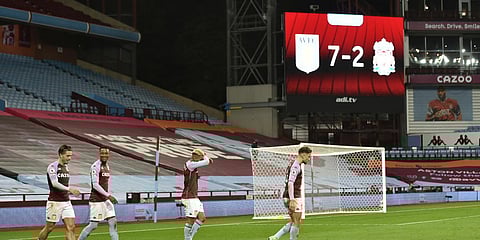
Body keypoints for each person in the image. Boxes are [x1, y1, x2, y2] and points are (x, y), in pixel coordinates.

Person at [268, 146, 312, 240]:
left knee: (293, 221)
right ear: (303, 154)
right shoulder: (296, 166)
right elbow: (290, 183)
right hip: (294, 196)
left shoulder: (294, 164)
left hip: (288, 195)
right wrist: (292, 199)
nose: (309, 158)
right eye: (308, 156)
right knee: (297, 221)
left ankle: (275, 237)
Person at [37, 145, 80, 240]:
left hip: (66, 202)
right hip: (54, 202)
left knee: (71, 227)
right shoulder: (52, 167)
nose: (70, 158)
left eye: (71, 156)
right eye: (67, 156)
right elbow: (55, 183)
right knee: (50, 227)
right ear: (60, 154)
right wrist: (69, 189)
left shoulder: (66, 167)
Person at [78, 146, 119, 240]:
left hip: (105, 200)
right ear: (99, 154)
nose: (104, 155)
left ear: (109, 154)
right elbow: (95, 184)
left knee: (113, 222)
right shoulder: (95, 166)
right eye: (102, 153)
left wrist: (108, 194)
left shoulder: (107, 166)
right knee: (93, 225)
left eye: (106, 153)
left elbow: (106, 183)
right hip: (96, 200)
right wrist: (109, 195)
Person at [182, 148, 213, 240]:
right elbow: (207, 162)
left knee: (202, 218)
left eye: (197, 155)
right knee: (191, 219)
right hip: (189, 196)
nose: (196, 156)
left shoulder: (192, 164)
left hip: (194, 196)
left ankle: (189, 237)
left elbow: (206, 161)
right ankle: (187, 238)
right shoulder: (190, 164)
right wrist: (205, 156)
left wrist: (205, 158)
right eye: (195, 155)